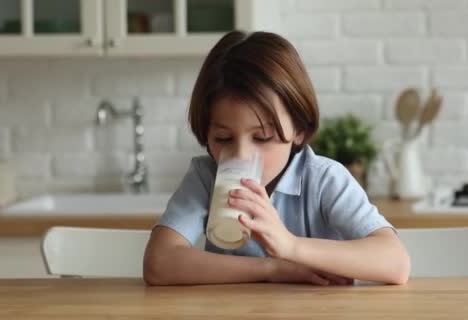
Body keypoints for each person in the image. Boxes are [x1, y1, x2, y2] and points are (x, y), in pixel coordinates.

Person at [143, 30, 410, 286]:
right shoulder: (206, 177)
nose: (240, 155)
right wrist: (271, 269)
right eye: (223, 139)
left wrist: (290, 245)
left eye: (262, 138)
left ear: (299, 129)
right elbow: (159, 263)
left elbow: (395, 262)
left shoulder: (323, 180)